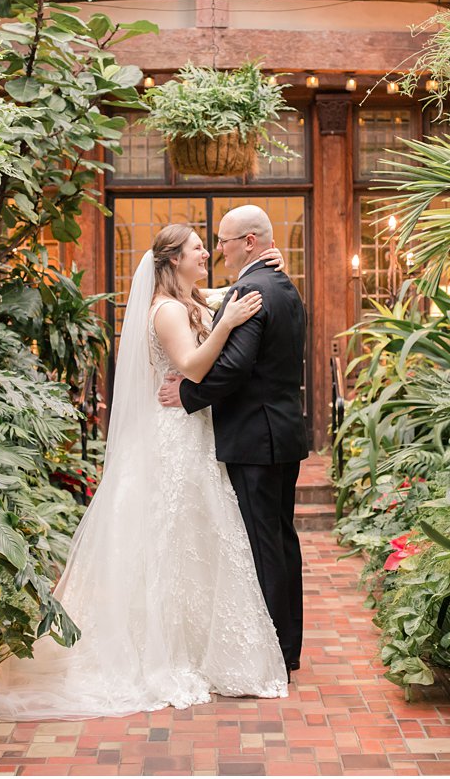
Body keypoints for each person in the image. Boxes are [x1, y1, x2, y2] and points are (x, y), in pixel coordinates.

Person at [0, 224, 289, 720]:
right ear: (172, 262)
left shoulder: (187, 299)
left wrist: (266, 269)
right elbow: (190, 366)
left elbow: (221, 291)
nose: (205, 254)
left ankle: (201, 648)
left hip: (192, 432)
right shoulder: (166, 310)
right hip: (176, 437)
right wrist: (227, 324)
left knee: (200, 536)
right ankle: (165, 652)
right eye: (196, 250)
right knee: (176, 535)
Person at [157, 204, 307, 677]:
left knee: (263, 544)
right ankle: (290, 645)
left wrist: (187, 393)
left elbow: (235, 367)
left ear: (247, 242)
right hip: (282, 431)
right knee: (282, 539)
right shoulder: (283, 285)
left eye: (221, 241)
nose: (215, 248)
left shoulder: (251, 288)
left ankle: (277, 651)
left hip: (253, 437)